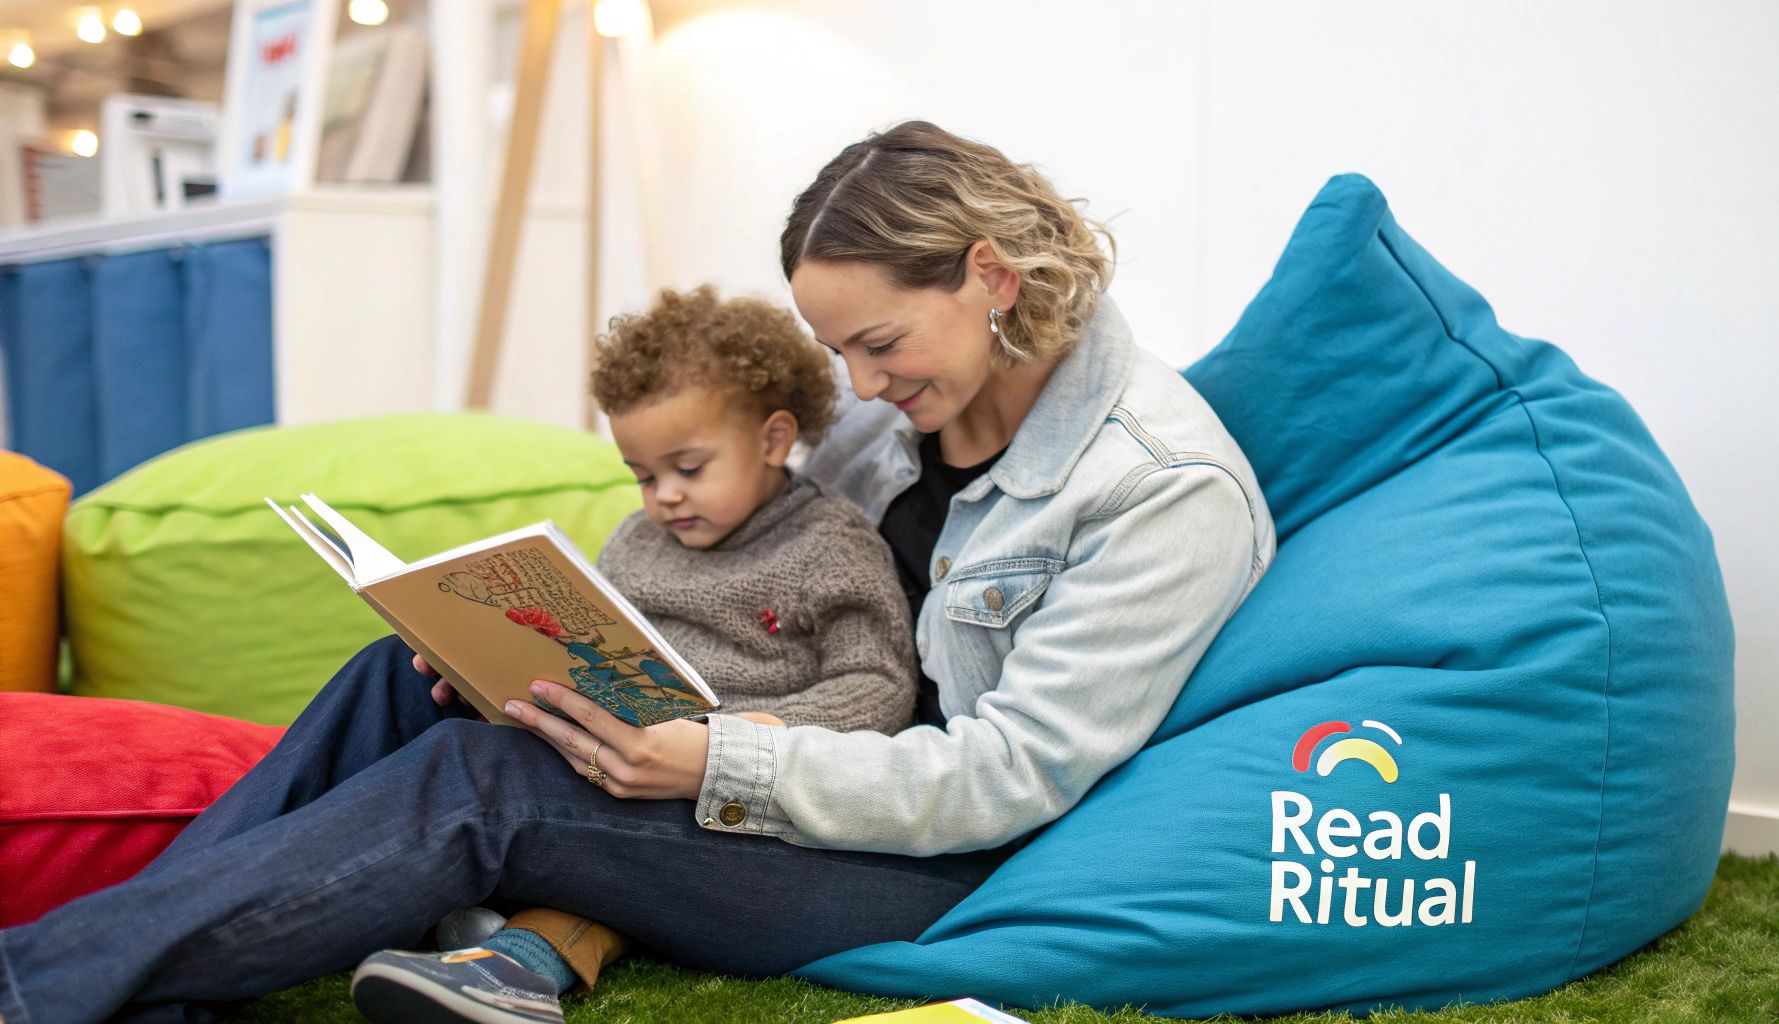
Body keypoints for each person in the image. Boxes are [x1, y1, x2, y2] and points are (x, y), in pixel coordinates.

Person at [0, 120, 1274, 1024]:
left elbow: (1006, 776)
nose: (860, 391)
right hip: (778, 759)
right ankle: (127, 968)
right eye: (840, 355)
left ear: (989, 275)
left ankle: (40, 984)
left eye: (879, 344)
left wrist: (713, 756)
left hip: (915, 855)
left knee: (482, 780)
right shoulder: (912, 420)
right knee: (401, 682)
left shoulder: (1156, 488)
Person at [348, 284, 921, 1022]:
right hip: (605, 752)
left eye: (688, 468)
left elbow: (877, 688)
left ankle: (512, 965)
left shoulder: (830, 547)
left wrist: (725, 741)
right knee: (402, 679)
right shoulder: (635, 540)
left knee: (586, 844)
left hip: (722, 795)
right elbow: (588, 640)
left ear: (774, 439)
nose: (666, 498)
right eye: (645, 476)